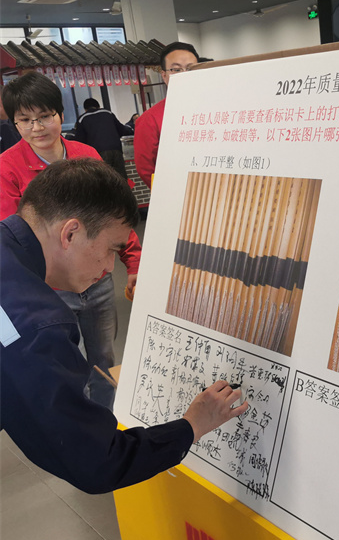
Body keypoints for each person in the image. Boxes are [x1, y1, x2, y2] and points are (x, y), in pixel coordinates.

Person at [0, 158, 248, 494]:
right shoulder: (33, 324)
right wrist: (192, 425)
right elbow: (97, 463)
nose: (108, 267)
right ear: (70, 233)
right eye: (112, 249)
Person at [0, 72, 141, 410]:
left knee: (104, 355)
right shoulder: (8, 167)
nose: (37, 127)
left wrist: (134, 263)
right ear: (14, 123)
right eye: (25, 120)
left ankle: (107, 418)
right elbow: (13, 238)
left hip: (99, 281)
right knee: (64, 362)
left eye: (45, 116)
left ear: (60, 114)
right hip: (51, 289)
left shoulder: (85, 155)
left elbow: (114, 216)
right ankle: (81, 421)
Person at [134, 41, 199, 188]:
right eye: (176, 69)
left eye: (191, 69)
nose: (185, 75)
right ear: (164, 75)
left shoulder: (215, 110)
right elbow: (146, 169)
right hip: (176, 193)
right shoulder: (149, 119)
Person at [73, 97, 132, 180]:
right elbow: (122, 130)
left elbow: (80, 140)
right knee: (121, 178)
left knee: (104, 179)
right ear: (98, 106)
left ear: (85, 109)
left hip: (98, 152)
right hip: (116, 149)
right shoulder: (108, 113)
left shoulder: (82, 118)